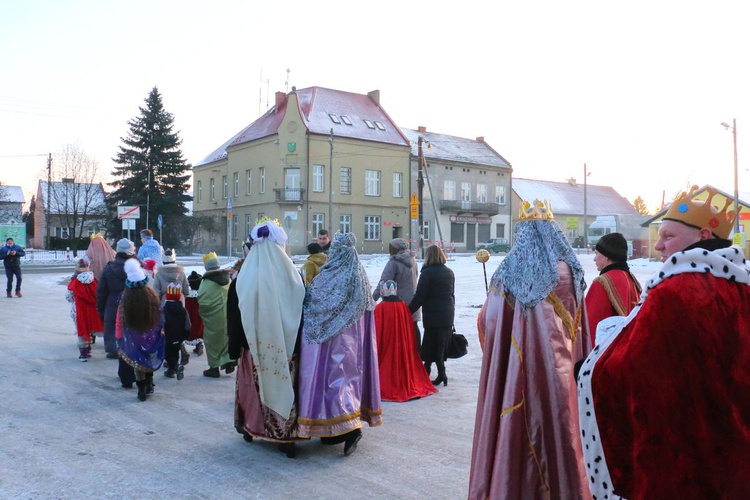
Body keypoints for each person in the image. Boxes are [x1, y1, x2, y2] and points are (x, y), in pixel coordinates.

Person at [578, 186, 750, 499]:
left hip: (682, 459)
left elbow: (640, 371)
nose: (658, 245)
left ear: (701, 236)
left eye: (668, 236)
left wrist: (593, 365)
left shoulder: (675, 292)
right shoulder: (742, 287)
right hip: (735, 452)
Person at [469, 199, 591, 500]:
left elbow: (489, 321)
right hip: (562, 375)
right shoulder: (572, 269)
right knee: (561, 430)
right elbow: (580, 326)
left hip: (519, 374)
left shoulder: (510, 270)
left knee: (518, 434)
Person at [298, 232, 382, 456]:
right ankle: (336, 430)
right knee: (345, 385)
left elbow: (311, 301)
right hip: (353, 345)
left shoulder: (328, 276)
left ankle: (347, 429)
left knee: (331, 386)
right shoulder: (360, 277)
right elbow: (368, 311)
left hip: (330, 345)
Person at [232, 219, 306, 457]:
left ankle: (252, 426)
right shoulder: (293, 277)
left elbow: (233, 315)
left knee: (254, 389)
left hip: (253, 348)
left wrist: (234, 347)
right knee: (285, 386)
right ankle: (287, 435)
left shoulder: (242, 279)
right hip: (287, 347)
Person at [374, 280, 437, 402]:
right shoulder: (402, 305)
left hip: (386, 348)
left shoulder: (381, 307)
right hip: (401, 346)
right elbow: (409, 327)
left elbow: (376, 331)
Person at [116, 259, 165, 401]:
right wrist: (160, 330)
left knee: (138, 361)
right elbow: (159, 313)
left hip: (133, 335)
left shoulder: (125, 297)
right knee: (148, 357)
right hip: (150, 332)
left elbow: (119, 318)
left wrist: (119, 334)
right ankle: (149, 383)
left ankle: (141, 389)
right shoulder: (151, 295)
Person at [408, 244, 455, 386]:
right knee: (440, 345)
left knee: (429, 344)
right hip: (447, 312)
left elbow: (420, 296)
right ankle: (439, 373)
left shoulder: (427, 273)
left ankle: (431, 372)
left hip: (433, 314)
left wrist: (407, 311)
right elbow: (451, 294)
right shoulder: (449, 272)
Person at [584, 232, 642, 345]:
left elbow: (591, 326)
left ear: (607, 256)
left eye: (597, 254)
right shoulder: (631, 280)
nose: (594, 259)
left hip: (606, 353)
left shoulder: (602, 282)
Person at [373, 238, 421, 350]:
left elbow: (383, 283)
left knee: (398, 332)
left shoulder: (393, 263)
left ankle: (401, 358)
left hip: (398, 303)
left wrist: (373, 298)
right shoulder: (413, 261)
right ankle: (416, 355)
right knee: (413, 328)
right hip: (413, 300)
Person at [97, 239, 137, 363]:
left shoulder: (108, 269)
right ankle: (132, 347)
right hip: (132, 302)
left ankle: (113, 349)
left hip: (112, 302)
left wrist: (101, 309)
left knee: (112, 325)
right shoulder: (137, 268)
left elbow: (101, 291)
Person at [197, 252, 234, 378]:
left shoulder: (207, 282)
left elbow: (202, 301)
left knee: (212, 341)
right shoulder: (228, 279)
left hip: (213, 319)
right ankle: (228, 361)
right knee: (226, 338)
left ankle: (214, 368)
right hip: (227, 316)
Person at [67, 258, 104, 361]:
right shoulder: (94, 280)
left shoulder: (75, 281)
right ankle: (88, 349)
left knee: (82, 329)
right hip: (92, 309)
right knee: (90, 327)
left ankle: (83, 353)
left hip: (78, 309)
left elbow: (69, 297)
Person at [162, 284, 191, 380]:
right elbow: (187, 324)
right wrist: (186, 334)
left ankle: (175, 367)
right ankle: (171, 370)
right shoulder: (183, 310)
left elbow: (161, 323)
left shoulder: (164, 310)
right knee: (175, 352)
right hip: (179, 336)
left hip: (168, 337)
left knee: (167, 354)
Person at [185, 270, 205, 357]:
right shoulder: (202, 295)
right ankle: (199, 345)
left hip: (189, 318)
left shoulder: (187, 297)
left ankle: (183, 349)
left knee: (190, 329)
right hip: (200, 317)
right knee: (199, 329)